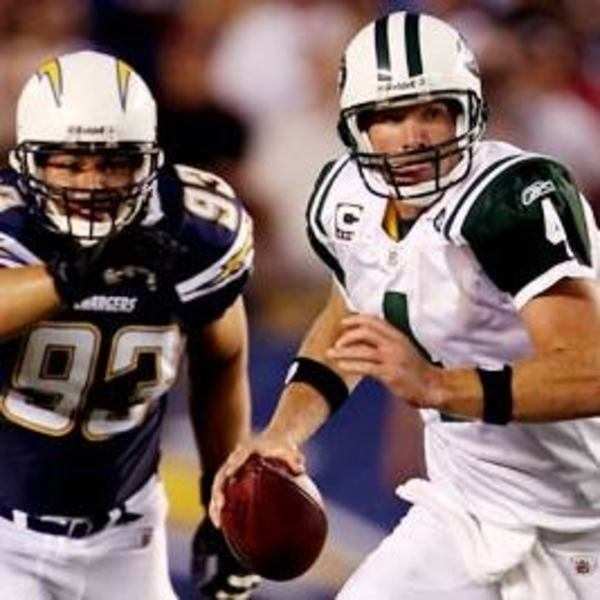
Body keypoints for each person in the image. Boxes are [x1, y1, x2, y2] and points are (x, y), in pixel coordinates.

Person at [210, 11, 600, 600]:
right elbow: (348, 315)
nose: (412, 136)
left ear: (468, 113)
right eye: (389, 116)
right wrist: (284, 432)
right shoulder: (346, 200)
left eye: (432, 111)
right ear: (356, 126)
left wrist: (441, 387)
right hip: (461, 514)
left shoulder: (511, 201)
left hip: (582, 526)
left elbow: (592, 368)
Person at [0, 50, 260, 600]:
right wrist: (71, 276)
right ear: (30, 162)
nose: (91, 184)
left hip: (126, 535)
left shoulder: (193, 230)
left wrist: (222, 500)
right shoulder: (10, 226)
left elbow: (223, 357)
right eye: (68, 163)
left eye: (114, 162)